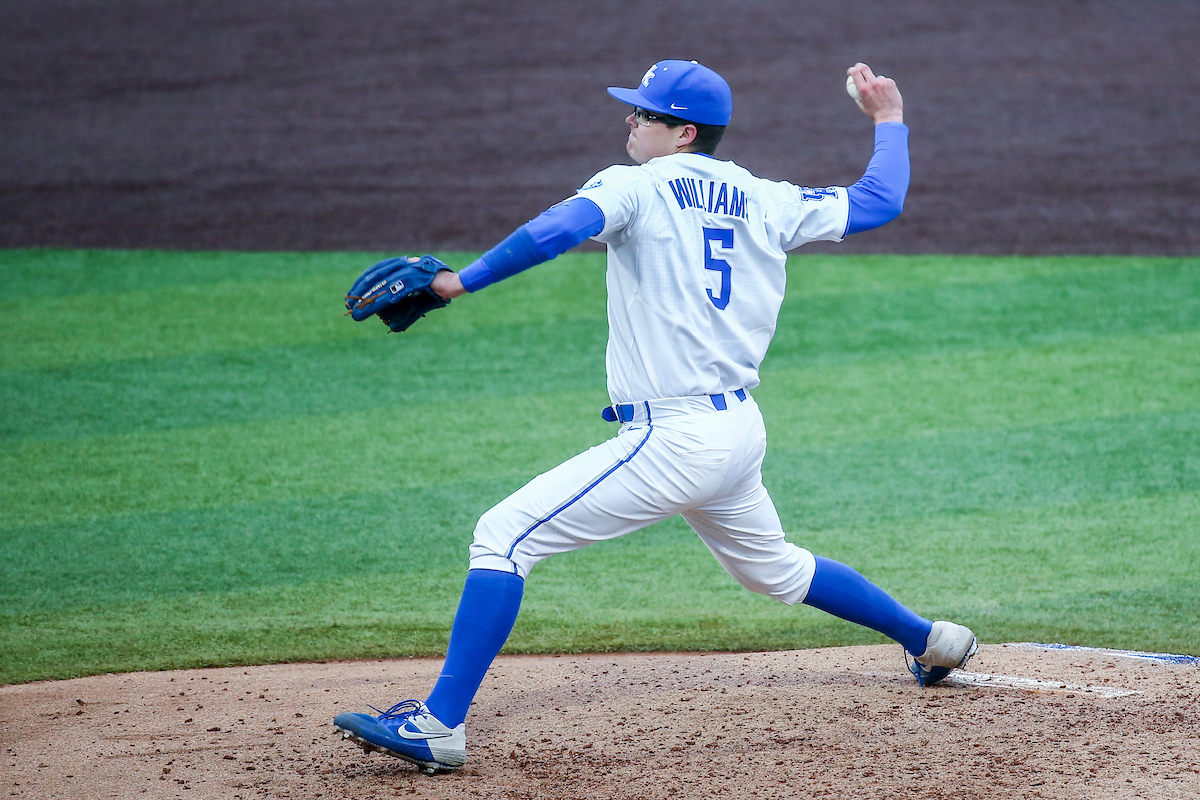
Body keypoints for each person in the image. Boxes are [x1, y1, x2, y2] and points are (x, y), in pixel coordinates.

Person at [334, 59, 977, 774]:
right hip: (736, 432)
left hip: (675, 437)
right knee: (776, 571)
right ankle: (932, 639)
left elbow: (557, 229)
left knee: (504, 536)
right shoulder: (766, 197)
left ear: (683, 133)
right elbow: (879, 199)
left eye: (643, 114)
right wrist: (888, 120)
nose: (630, 122)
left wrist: (455, 283)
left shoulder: (632, 183)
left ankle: (439, 725)